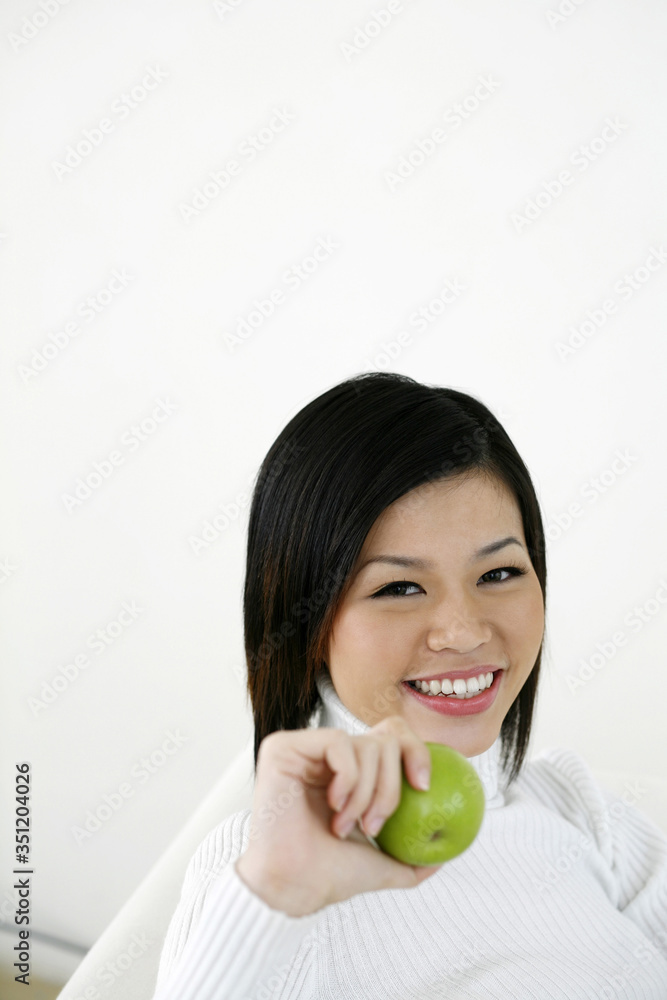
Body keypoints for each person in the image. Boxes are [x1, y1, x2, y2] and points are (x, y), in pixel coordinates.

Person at [152, 371, 667, 999]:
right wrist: (273, 898)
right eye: (398, 587)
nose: (463, 631)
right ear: (304, 619)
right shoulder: (268, 862)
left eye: (499, 572)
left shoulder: (575, 807)